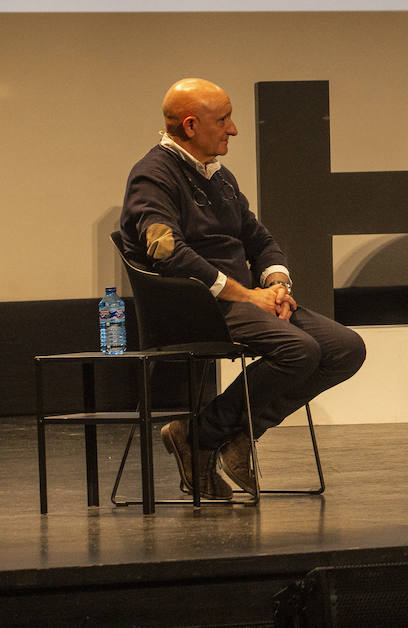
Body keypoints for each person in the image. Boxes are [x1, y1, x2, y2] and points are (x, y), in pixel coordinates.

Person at [119, 78, 366, 499]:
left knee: (345, 348)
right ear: (192, 125)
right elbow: (167, 252)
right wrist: (247, 294)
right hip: (194, 309)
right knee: (299, 350)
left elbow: (260, 240)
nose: (233, 129)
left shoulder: (220, 176)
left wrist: (276, 283)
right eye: (224, 119)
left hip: (244, 301)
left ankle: (224, 434)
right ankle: (205, 437)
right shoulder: (153, 176)